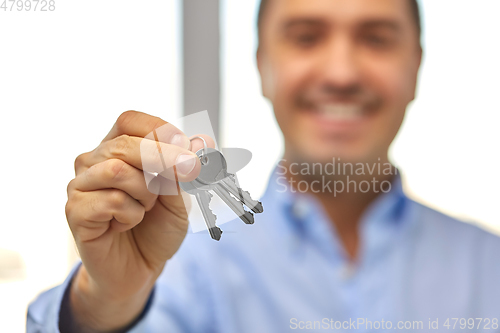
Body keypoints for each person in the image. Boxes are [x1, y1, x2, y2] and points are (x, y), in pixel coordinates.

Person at [27, 0, 500, 332]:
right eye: (305, 37)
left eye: (376, 38)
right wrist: (103, 301)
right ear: (260, 65)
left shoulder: (489, 270)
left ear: (415, 65)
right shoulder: (177, 271)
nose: (341, 73)